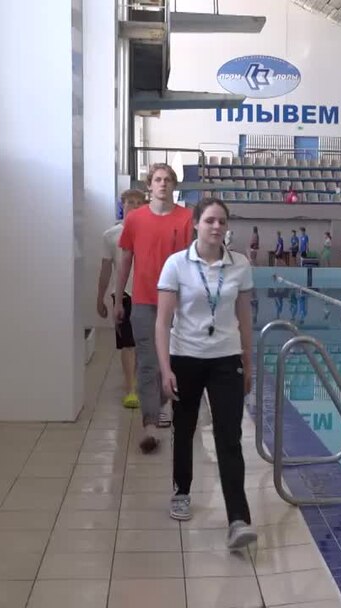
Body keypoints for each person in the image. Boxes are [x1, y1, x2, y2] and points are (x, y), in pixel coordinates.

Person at [154, 198, 258, 549]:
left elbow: (245, 318)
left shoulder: (239, 265)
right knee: (185, 430)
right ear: (196, 223)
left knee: (230, 437)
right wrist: (165, 369)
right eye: (210, 220)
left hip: (226, 359)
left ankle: (238, 518)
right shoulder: (177, 264)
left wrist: (248, 362)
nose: (217, 227)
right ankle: (181, 490)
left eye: (222, 221)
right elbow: (162, 322)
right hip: (185, 357)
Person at [116, 163, 194, 453]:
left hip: (178, 303)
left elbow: (192, 262)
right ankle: (150, 424)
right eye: (158, 179)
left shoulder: (186, 218)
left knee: (170, 363)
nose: (162, 184)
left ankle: (161, 404)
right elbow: (125, 260)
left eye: (168, 179)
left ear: (174, 185)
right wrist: (117, 299)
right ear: (149, 185)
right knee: (148, 363)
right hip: (144, 302)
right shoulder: (135, 219)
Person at [98, 189, 147, 409]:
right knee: (128, 344)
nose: (134, 206)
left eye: (138, 203)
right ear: (122, 205)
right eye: (130, 202)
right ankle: (130, 388)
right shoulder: (111, 235)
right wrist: (99, 297)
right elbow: (105, 269)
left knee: (143, 344)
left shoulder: (151, 232)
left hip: (147, 294)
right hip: (123, 294)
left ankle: (139, 381)